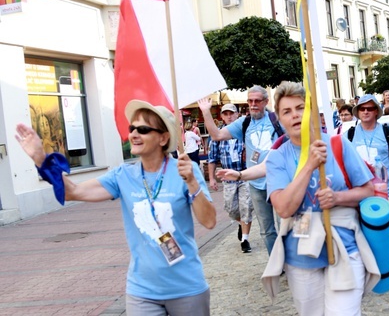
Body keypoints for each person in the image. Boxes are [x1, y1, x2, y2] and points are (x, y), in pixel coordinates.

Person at [16, 100, 216, 315]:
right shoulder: (122, 175)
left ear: (163, 137)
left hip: (186, 287)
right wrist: (40, 159)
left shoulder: (186, 170)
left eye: (143, 129)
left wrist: (192, 183)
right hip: (142, 291)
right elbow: (73, 191)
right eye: (132, 128)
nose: (134, 134)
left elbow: (210, 221)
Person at [261, 82, 380, 315]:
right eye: (287, 111)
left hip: (345, 248)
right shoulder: (276, 158)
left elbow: (367, 190)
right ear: (279, 119)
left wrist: (337, 197)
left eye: (300, 108)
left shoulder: (336, 143)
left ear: (310, 112)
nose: (295, 115)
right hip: (301, 256)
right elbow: (284, 208)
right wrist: (309, 165)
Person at [199, 86, 283, 255]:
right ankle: (277, 264)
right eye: (250, 101)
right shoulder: (244, 122)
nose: (253, 105)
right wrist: (206, 112)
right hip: (256, 184)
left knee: (284, 226)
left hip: (279, 181)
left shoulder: (277, 119)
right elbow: (216, 135)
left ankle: (291, 264)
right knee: (266, 230)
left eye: (257, 101)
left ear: (266, 102)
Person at [349, 94, 389, 234]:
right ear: (358, 112)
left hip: (386, 194)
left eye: (370, 108)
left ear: (376, 111)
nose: (365, 111)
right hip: (360, 195)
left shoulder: (386, 132)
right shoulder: (350, 134)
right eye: (362, 108)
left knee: (387, 238)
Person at [208, 104, 254, 253]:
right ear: (222, 116)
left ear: (237, 115)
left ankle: (245, 239)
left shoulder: (244, 131)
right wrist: (212, 178)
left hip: (245, 175)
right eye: (225, 114)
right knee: (231, 209)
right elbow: (212, 158)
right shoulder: (217, 135)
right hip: (228, 178)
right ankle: (241, 224)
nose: (229, 116)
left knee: (246, 206)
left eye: (231, 113)